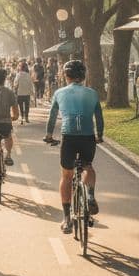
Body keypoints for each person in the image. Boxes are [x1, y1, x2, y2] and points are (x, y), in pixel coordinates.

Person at [45, 60, 104, 234]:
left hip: (69, 137)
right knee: (88, 167)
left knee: (66, 175)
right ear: (83, 76)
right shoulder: (93, 93)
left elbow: (52, 116)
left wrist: (49, 135)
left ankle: (66, 219)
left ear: (66, 76)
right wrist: (99, 135)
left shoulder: (59, 92)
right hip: (87, 137)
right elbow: (99, 118)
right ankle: (90, 195)